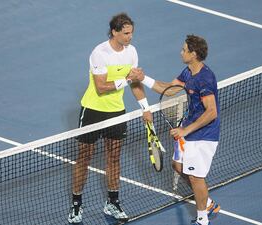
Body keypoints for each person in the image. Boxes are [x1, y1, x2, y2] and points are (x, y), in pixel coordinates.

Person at [68, 13, 152, 224]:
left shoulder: (131, 52)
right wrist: (127, 78)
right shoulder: (100, 53)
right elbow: (101, 87)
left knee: (114, 157)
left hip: (116, 112)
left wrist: (145, 107)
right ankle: (77, 203)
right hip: (93, 110)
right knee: (84, 157)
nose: (130, 37)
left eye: (131, 32)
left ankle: (112, 202)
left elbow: (135, 83)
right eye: (125, 33)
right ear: (114, 32)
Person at [139, 35, 220, 225]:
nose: (181, 52)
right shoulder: (188, 72)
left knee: (195, 177)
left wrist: (185, 130)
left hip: (204, 135)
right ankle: (207, 203)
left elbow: (212, 112)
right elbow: (168, 89)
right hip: (190, 129)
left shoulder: (205, 79)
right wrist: (142, 78)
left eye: (184, 50)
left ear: (194, 54)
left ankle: (202, 220)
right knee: (177, 166)